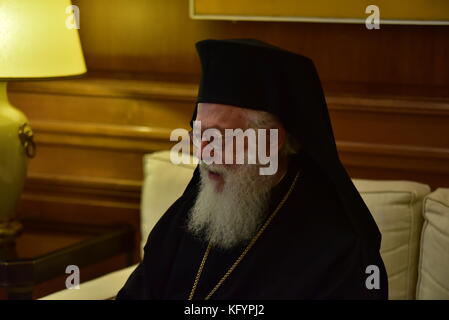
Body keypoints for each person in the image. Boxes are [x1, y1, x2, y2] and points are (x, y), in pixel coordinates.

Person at [116, 39, 388, 300]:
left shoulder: (339, 249)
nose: (203, 154)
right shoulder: (185, 217)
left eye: (219, 137)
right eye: (199, 135)